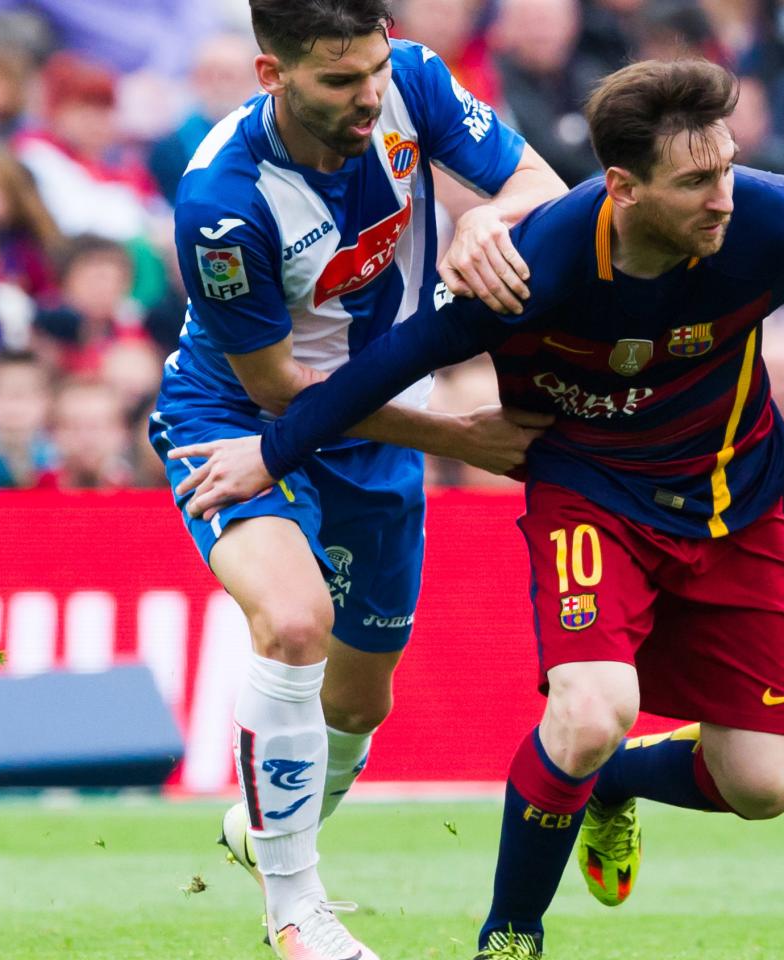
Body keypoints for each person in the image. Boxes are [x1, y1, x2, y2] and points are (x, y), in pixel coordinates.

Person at [167, 58, 784, 959]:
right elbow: (395, 361)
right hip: (589, 490)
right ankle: (510, 936)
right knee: (590, 713)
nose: (724, 198)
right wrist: (271, 452)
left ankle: (614, 782)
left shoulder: (774, 215)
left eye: (727, 168)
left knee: (767, 783)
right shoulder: (537, 264)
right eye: (697, 181)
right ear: (625, 188)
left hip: (734, 496)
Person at [146, 2, 566, 958]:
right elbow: (277, 387)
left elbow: (541, 183)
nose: (368, 95)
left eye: (373, 68)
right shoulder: (223, 201)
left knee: (359, 704)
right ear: (272, 75)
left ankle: (262, 829)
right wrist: (455, 437)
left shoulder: (413, 78)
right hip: (240, 423)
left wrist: (487, 218)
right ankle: (296, 911)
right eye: (339, 81)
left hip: (374, 426)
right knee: (294, 622)